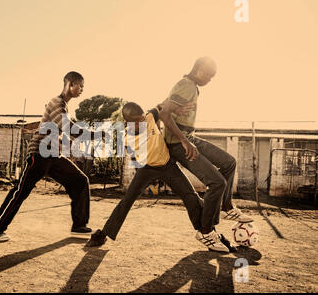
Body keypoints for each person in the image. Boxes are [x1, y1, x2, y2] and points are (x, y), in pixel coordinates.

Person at [86, 102, 234, 253]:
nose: (141, 123)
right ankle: (103, 234)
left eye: (142, 119)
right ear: (127, 123)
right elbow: (138, 159)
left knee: (191, 196)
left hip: (168, 166)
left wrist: (178, 107)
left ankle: (208, 232)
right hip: (147, 169)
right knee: (127, 201)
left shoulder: (149, 116)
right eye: (136, 122)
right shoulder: (128, 138)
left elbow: (163, 105)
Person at [0, 71, 99, 242]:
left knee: (80, 180)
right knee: (20, 191)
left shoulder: (63, 107)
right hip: (39, 154)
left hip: (53, 155)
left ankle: (79, 226)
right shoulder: (57, 102)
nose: (82, 89)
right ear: (71, 84)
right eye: (80, 85)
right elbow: (67, 127)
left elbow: (62, 131)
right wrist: (93, 134)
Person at [161, 56, 253, 234]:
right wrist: (184, 140)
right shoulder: (186, 85)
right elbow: (165, 114)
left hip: (189, 137)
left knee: (229, 162)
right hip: (178, 144)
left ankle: (226, 206)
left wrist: (179, 118)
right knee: (217, 183)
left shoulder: (191, 86)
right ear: (200, 68)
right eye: (209, 75)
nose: (210, 80)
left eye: (213, 77)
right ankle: (205, 231)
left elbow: (164, 106)